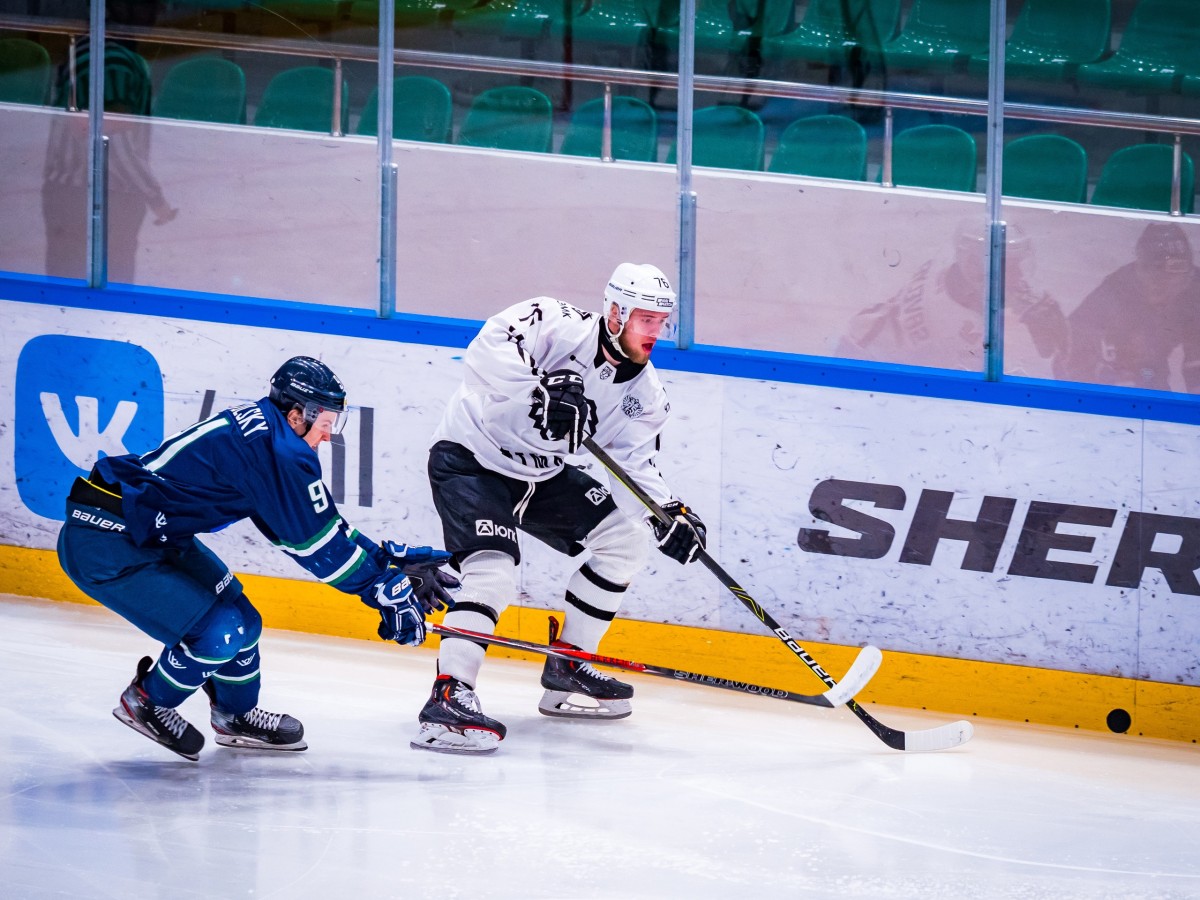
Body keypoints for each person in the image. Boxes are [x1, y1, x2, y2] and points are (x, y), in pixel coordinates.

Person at [57, 357, 457, 761]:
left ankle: (236, 717)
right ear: (299, 414)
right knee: (221, 631)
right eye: (325, 423)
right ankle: (147, 701)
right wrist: (378, 589)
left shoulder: (271, 434)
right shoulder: (277, 452)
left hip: (151, 533)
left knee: (244, 621)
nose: (328, 434)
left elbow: (320, 528)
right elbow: (316, 548)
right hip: (107, 541)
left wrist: (385, 562)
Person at [413, 262, 708, 755]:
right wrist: (537, 390)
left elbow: (632, 464)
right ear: (614, 313)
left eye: (663, 321)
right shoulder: (553, 320)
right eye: (645, 319)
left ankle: (567, 664)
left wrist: (666, 513)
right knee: (494, 571)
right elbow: (484, 351)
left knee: (627, 540)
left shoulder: (645, 394)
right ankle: (448, 695)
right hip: (473, 458)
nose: (657, 331)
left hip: (541, 474)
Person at [834, 221, 1068, 377]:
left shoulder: (949, 263)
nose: (1018, 274)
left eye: (1017, 262)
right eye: (1010, 264)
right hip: (867, 361)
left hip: (871, 336)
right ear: (976, 265)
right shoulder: (948, 322)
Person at [1056, 221, 1200, 392]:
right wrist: (1100, 374)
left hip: (1150, 359)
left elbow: (1196, 359)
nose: (1168, 291)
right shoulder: (1115, 292)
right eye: (1159, 283)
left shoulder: (1193, 292)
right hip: (1117, 364)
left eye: (1177, 284)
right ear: (1140, 271)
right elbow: (1070, 341)